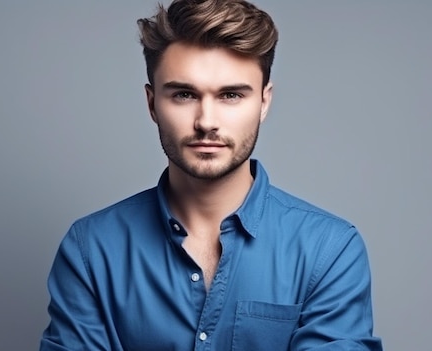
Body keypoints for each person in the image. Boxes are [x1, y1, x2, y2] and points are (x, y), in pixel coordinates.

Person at [39, 0, 383, 350]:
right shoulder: (91, 249)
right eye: (184, 94)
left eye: (231, 95)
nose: (206, 121)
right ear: (152, 103)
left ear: (263, 103)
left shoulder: (330, 250)